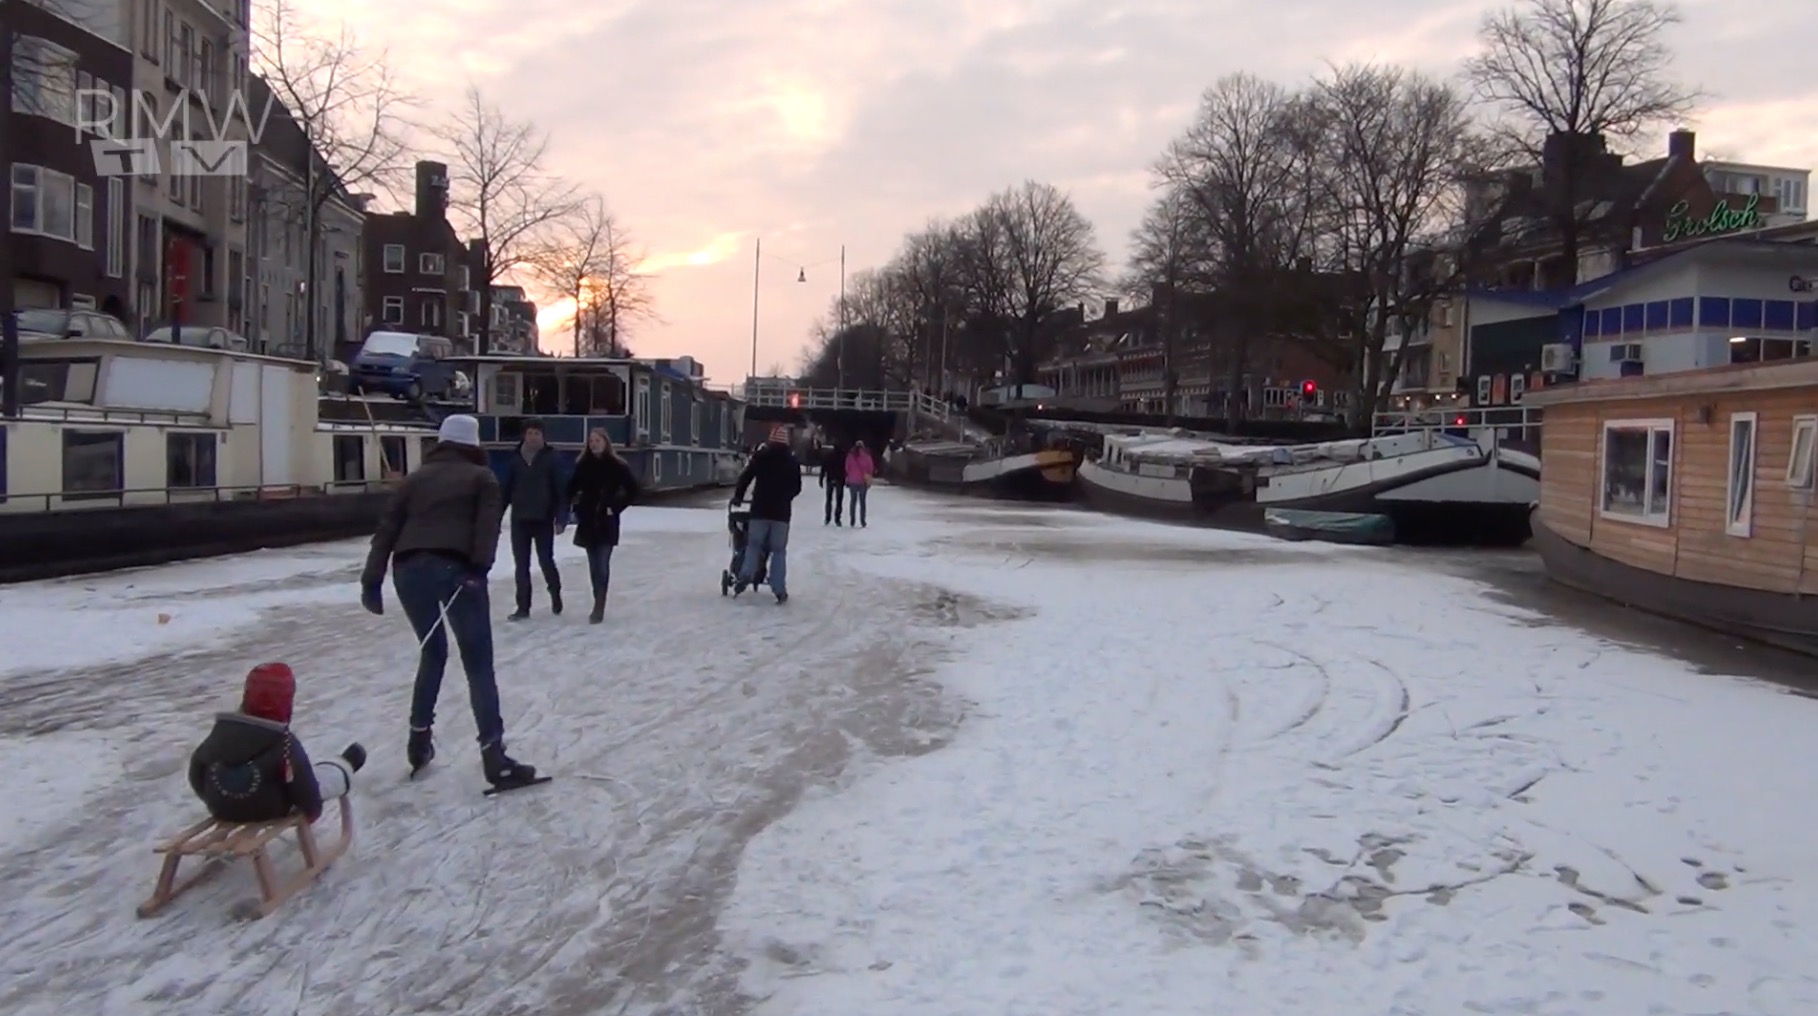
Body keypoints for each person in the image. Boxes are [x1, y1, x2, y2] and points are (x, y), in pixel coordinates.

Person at [360, 413, 538, 789]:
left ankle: (418, 741)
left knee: (433, 652)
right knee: (477, 663)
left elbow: (386, 529)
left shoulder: (414, 479)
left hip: (408, 570)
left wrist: (372, 581)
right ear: (473, 443)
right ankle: (494, 757)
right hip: (457, 569)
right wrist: (478, 570)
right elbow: (486, 528)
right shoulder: (481, 478)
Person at [188, 662, 366, 824]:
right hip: (269, 809)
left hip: (222, 807)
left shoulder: (221, 733)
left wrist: (217, 800)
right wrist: (312, 812)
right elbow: (306, 793)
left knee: (295, 774)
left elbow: (196, 772)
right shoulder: (284, 744)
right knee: (315, 781)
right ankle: (343, 766)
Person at [566, 428, 640, 624]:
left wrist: (616, 507)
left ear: (606, 442)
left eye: (597, 440)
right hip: (588, 520)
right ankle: (597, 598)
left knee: (602, 564)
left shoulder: (617, 466)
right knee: (593, 566)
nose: (594, 444)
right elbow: (571, 488)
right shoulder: (582, 465)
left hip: (606, 521)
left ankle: (600, 604)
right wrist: (572, 506)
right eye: (591, 441)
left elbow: (633, 490)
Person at [501, 419, 566, 620]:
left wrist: (561, 518)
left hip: (543, 518)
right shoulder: (514, 459)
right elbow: (505, 491)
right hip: (520, 519)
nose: (533, 437)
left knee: (545, 560)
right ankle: (523, 606)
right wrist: (495, 518)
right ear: (524, 435)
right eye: (530, 433)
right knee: (521, 565)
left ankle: (555, 592)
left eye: (537, 434)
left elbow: (561, 491)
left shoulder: (552, 458)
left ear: (543, 436)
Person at [732, 424, 803, 603]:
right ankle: (778, 588)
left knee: (753, 545)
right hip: (781, 514)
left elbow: (746, 477)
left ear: (770, 440)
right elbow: (797, 487)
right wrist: (785, 498)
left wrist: (738, 496)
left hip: (759, 510)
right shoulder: (792, 461)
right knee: (778, 551)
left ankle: (746, 574)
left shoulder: (761, 457)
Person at [844, 440, 875, 527]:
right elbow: (870, 468)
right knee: (862, 502)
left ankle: (852, 519)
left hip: (852, 481)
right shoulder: (867, 456)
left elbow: (847, 468)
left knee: (853, 501)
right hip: (863, 481)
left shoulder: (850, 457)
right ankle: (862, 520)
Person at [820, 438, 847, 525]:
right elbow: (846, 469)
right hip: (840, 479)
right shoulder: (843, 457)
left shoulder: (829, 456)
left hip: (830, 479)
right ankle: (837, 518)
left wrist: (821, 478)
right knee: (839, 500)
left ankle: (827, 517)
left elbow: (823, 468)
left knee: (829, 499)